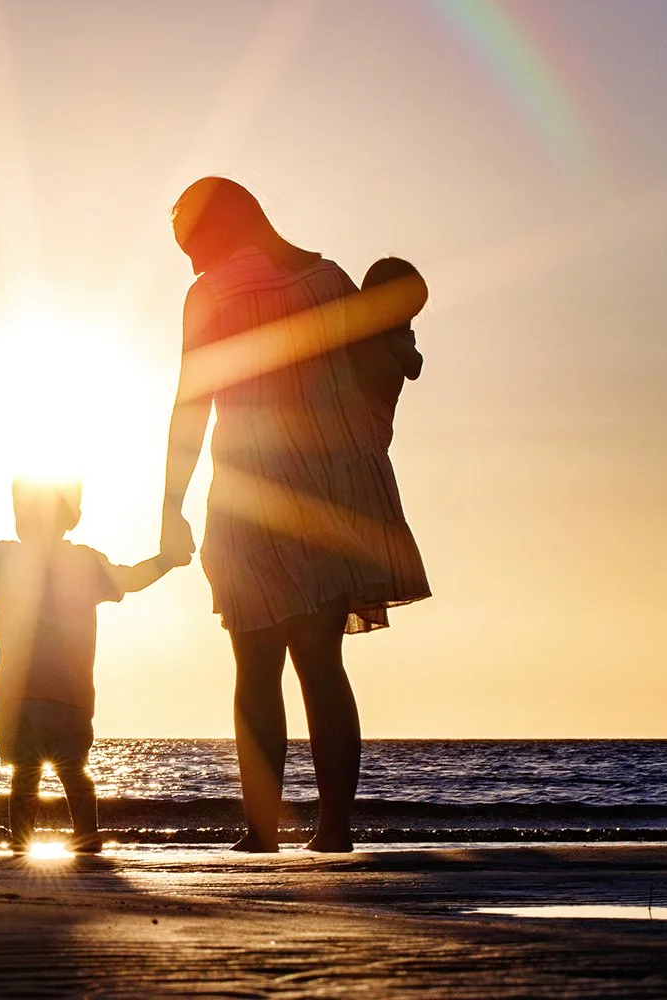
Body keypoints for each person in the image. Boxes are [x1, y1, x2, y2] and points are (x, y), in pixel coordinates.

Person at [158, 177, 429, 853]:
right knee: (321, 662)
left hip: (253, 493)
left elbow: (192, 402)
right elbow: (370, 382)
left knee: (256, 667)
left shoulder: (211, 294)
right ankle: (333, 829)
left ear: (220, 231)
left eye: (192, 246)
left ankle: (261, 832)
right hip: (328, 493)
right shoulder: (330, 278)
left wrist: (170, 502)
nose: (191, 263)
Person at [0, 480, 182, 853]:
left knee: (28, 775)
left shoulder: (5, 558)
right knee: (68, 773)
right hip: (64, 696)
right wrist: (168, 560)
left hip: (26, 696)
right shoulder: (81, 561)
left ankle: (27, 841)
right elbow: (131, 578)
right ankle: (81, 837)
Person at [347, 257, 428, 454]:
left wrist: (399, 345)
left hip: (375, 438)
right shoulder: (357, 330)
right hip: (355, 432)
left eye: (412, 316)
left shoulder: (401, 337)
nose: (407, 321)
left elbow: (415, 366)